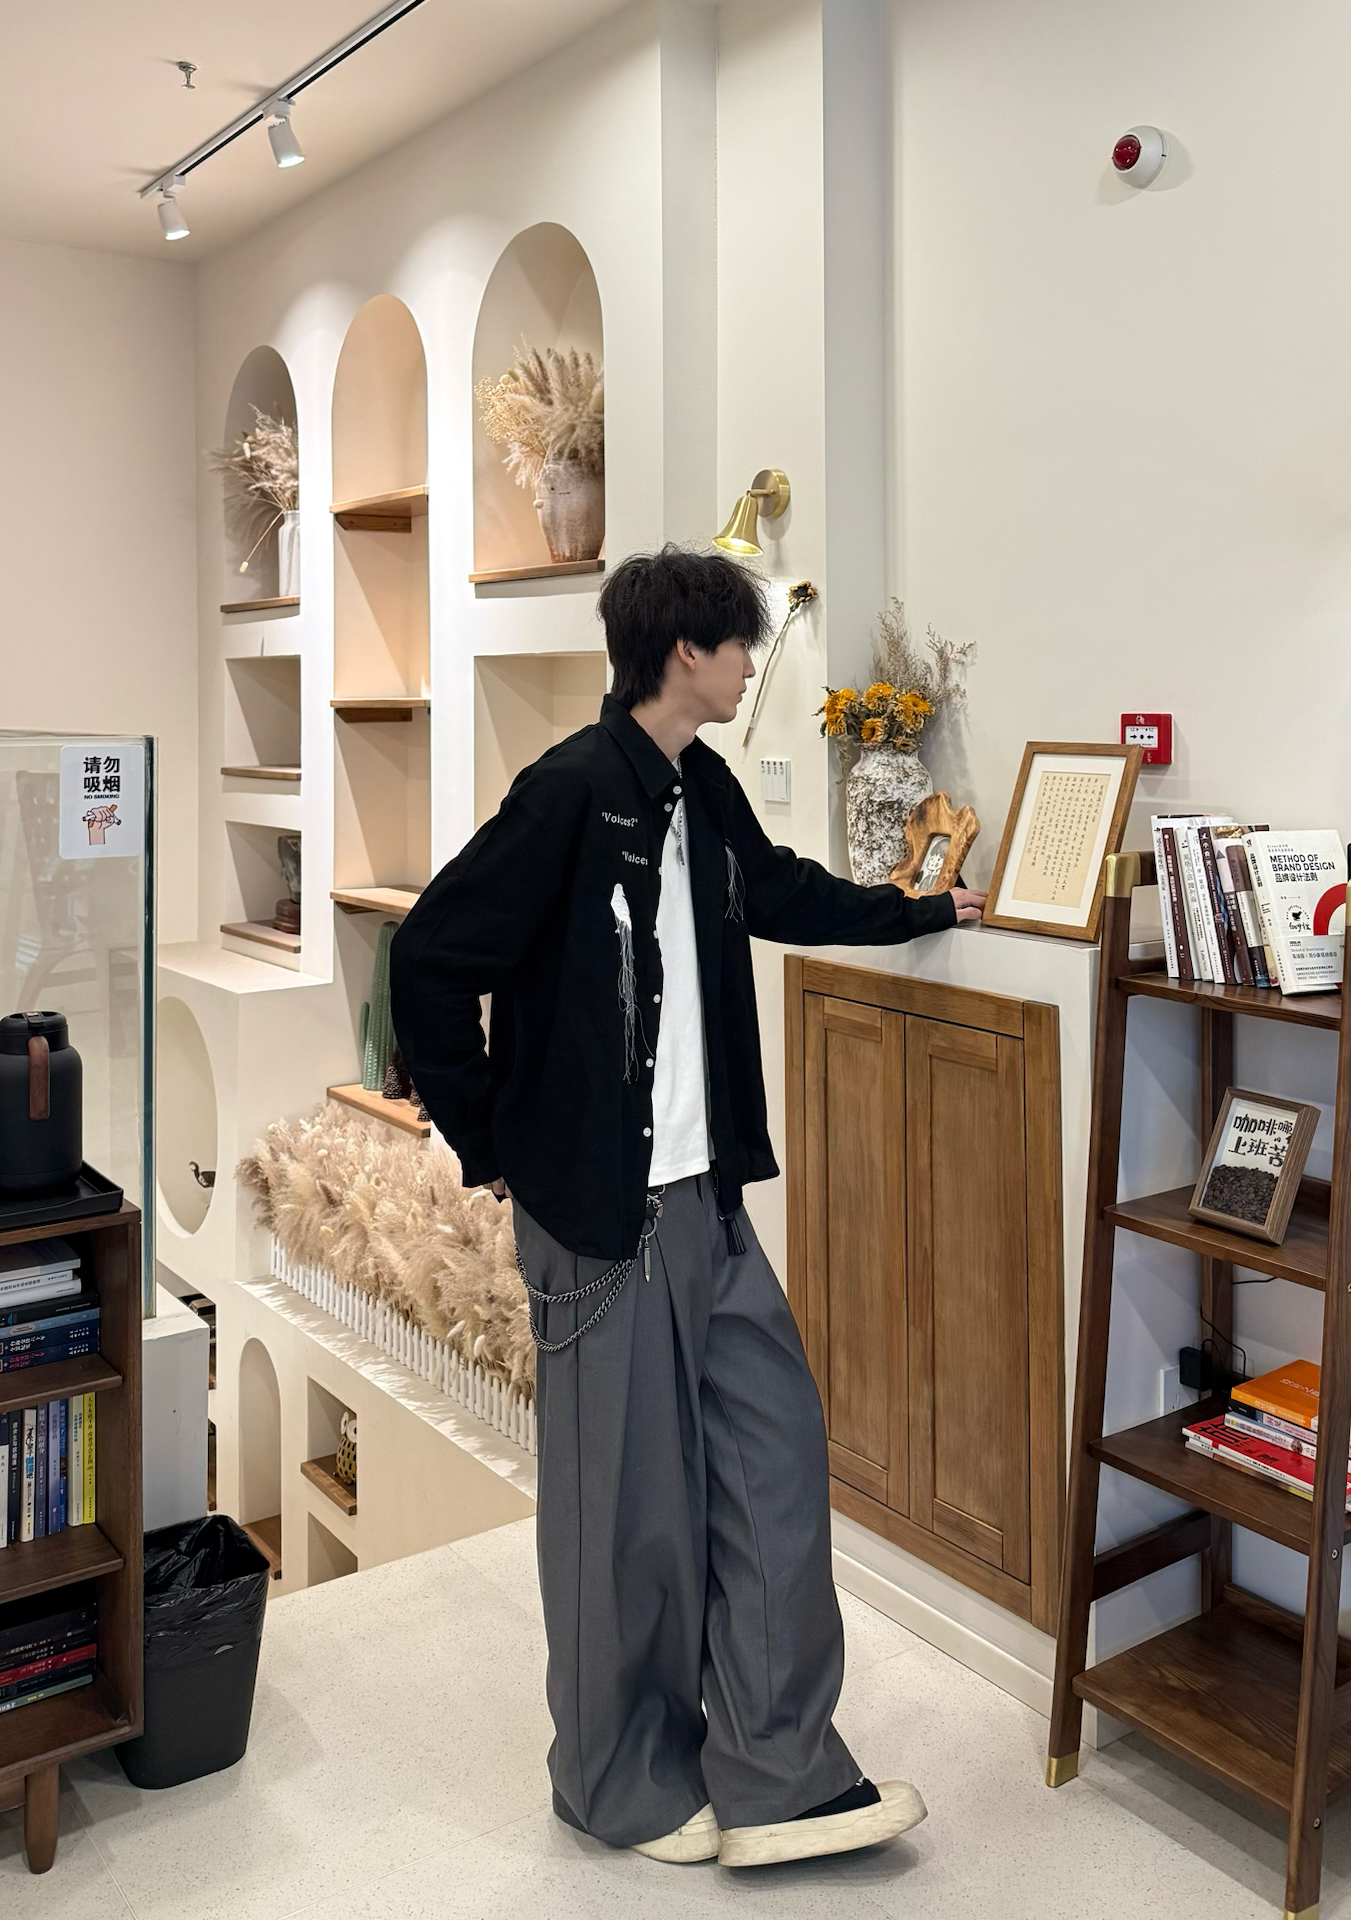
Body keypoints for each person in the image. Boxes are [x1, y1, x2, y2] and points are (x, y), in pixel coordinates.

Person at [390, 545, 985, 1869]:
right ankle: (618, 1785)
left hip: (708, 1205)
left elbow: (776, 891)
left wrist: (918, 910)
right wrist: (493, 1138)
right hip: (603, 1221)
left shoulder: (697, 786)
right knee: (625, 1515)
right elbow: (429, 955)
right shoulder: (568, 792)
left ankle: (777, 1769)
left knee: (774, 1462)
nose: (750, 668)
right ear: (686, 656)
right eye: (739, 647)